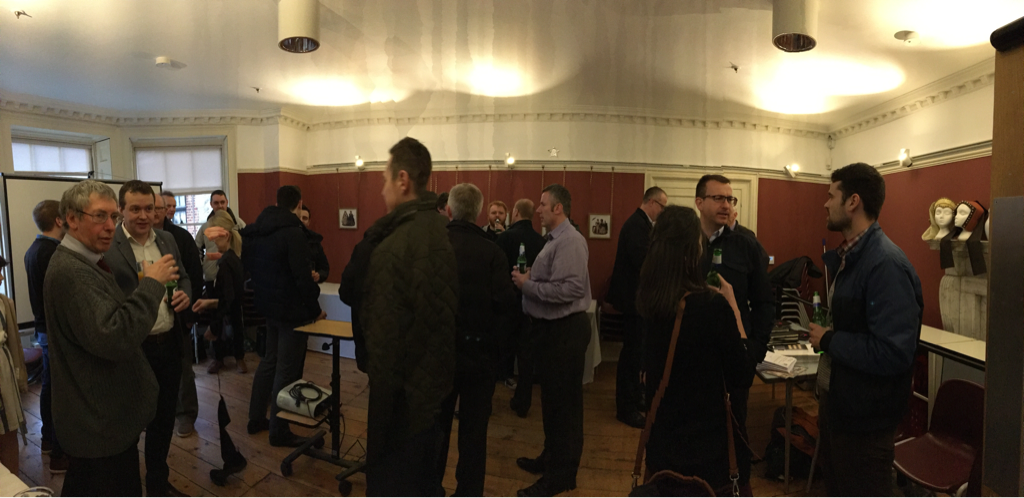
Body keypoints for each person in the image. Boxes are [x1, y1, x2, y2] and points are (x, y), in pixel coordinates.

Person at [44, 180, 178, 497]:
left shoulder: (85, 261)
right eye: (100, 216)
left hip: (102, 421)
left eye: (113, 217)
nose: (109, 226)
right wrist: (152, 284)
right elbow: (115, 336)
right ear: (72, 219)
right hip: (98, 424)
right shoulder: (72, 272)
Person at [808, 163, 923, 497]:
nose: (825, 203)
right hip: (841, 409)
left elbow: (893, 352)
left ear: (853, 202)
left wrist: (830, 339)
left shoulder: (886, 264)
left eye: (831, 196)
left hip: (865, 423)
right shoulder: (852, 257)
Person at [360, 137, 458, 497]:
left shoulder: (394, 247)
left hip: (401, 407)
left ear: (403, 180)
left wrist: (381, 422)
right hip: (432, 394)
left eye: (385, 179)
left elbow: (385, 348)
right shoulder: (441, 232)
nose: (382, 189)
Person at [636, 205, 751, 495]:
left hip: (662, 441)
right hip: (705, 447)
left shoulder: (650, 299)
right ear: (692, 252)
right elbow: (742, 374)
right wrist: (734, 310)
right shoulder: (712, 307)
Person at [104, 180, 193, 498]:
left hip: (168, 342)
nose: (144, 216)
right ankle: (128, 488)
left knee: (164, 418)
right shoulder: (108, 246)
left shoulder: (167, 239)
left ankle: (157, 483)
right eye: (135, 209)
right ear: (121, 210)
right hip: (133, 349)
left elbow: (183, 276)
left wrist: (185, 294)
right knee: (129, 421)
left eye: (149, 209)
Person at [436, 183, 517, 497]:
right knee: (474, 434)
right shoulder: (492, 251)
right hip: (480, 356)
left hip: (440, 355)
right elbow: (505, 306)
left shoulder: (434, 246)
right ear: (480, 212)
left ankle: (430, 488)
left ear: (449, 210)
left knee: (436, 429)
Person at [511, 184, 591, 498]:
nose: (538, 209)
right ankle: (551, 459)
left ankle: (560, 476)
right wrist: (531, 275)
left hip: (564, 332)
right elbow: (555, 279)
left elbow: (571, 289)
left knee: (564, 407)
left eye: (543, 204)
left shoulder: (570, 240)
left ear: (558, 208)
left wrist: (527, 286)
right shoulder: (556, 239)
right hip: (553, 332)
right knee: (553, 403)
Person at [694, 174, 773, 486]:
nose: (726, 205)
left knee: (736, 431)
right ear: (699, 202)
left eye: (730, 199)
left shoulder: (747, 245)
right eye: (718, 198)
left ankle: (737, 489)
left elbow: (764, 302)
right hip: (693, 357)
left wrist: (755, 350)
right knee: (696, 432)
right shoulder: (684, 244)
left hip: (735, 358)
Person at [241, 185, 323, 446]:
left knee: (269, 362)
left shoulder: (258, 230)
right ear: (299, 204)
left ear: (277, 202)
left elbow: (250, 268)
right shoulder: (292, 233)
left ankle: (256, 418)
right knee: (285, 370)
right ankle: (279, 431)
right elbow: (302, 278)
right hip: (291, 311)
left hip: (268, 306)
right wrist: (315, 310)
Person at [607, 186, 667, 429]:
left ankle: (633, 398)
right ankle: (626, 407)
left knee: (636, 353)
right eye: (662, 206)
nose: (663, 212)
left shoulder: (640, 224)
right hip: (633, 301)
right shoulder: (636, 226)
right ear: (651, 202)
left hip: (636, 300)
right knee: (632, 355)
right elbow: (644, 263)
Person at [154, 192, 205, 437]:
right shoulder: (128, 242)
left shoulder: (179, 237)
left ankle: (185, 415)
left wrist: (190, 314)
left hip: (178, 314)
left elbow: (192, 276)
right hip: (147, 318)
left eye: (158, 208)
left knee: (183, 369)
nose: (153, 213)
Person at [24, 200, 68, 473]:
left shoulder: (33, 249)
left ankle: (48, 441)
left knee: (50, 386)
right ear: (60, 221)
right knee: (61, 390)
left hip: (43, 329)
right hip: (55, 330)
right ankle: (59, 453)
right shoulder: (53, 253)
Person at [495, 198, 546, 417]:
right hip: (530, 302)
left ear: (514, 212)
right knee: (526, 356)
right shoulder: (541, 241)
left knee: (497, 349)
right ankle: (523, 402)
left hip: (506, 303)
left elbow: (497, 271)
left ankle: (487, 401)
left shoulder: (505, 238)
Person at [193, 211, 246, 375]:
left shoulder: (226, 264)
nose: (212, 241)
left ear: (226, 235)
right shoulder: (231, 258)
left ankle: (238, 357)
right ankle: (219, 358)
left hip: (229, 310)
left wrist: (214, 327)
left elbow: (228, 299)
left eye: (215, 237)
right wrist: (209, 302)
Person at [0, 255, 27, 476]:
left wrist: (19, 378)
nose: (1, 277)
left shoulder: (4, 303)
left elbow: (15, 345)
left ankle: (14, 484)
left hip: (4, 374)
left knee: (9, 430)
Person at [196, 190, 246, 283]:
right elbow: (196, 249)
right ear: (211, 204)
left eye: (222, 202)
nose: (220, 206)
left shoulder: (239, 224)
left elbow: (248, 246)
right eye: (216, 203)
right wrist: (202, 266)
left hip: (234, 275)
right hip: (212, 276)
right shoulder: (205, 227)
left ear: (227, 202)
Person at [300, 204, 330, 283]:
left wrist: (319, 275)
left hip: (309, 285)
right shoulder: (285, 239)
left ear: (309, 222)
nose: (301, 220)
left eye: (305, 218)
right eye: (299, 217)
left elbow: (324, 268)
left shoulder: (315, 241)